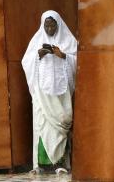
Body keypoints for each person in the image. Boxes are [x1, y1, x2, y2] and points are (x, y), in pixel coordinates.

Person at [22, 10, 77, 174]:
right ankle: (40, 165)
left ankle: (59, 164)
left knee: (60, 123)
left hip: (61, 95)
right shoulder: (37, 40)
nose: (50, 28)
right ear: (42, 25)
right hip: (42, 95)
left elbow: (79, 59)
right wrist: (38, 55)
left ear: (58, 25)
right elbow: (26, 61)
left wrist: (64, 55)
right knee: (42, 125)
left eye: (53, 25)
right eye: (47, 25)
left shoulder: (68, 41)